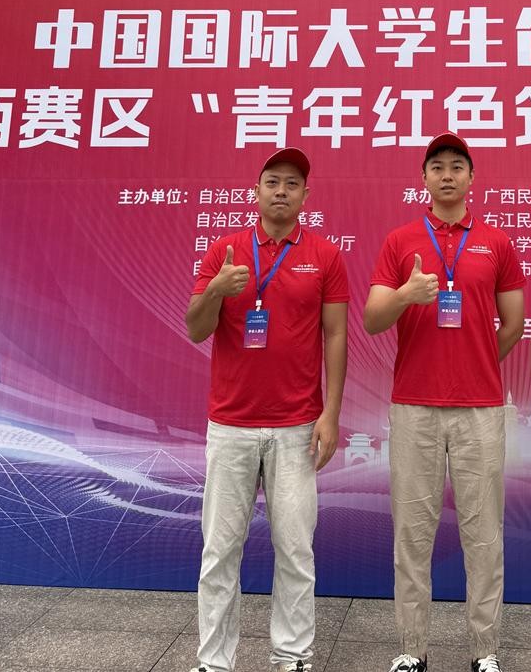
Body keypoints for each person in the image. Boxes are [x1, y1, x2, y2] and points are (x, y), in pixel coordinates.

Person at [363, 133, 526, 672]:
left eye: (458, 166)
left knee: (484, 534)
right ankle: (412, 649)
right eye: (438, 167)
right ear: (424, 178)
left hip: (481, 407)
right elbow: (372, 319)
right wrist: (405, 296)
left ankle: (485, 651)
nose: (448, 175)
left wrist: (474, 360)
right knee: (412, 534)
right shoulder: (400, 241)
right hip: (414, 406)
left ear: (472, 178)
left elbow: (512, 323)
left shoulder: (496, 242)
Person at [185, 147, 349, 672]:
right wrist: (216, 289)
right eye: (273, 182)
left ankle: (293, 655)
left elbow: (336, 335)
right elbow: (196, 328)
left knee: (295, 549)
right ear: (256, 191)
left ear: (306, 195)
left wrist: (331, 413)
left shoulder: (325, 255)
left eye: (292, 184)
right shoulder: (225, 250)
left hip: (297, 425)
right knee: (219, 551)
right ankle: (214, 662)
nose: (281, 191)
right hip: (230, 424)